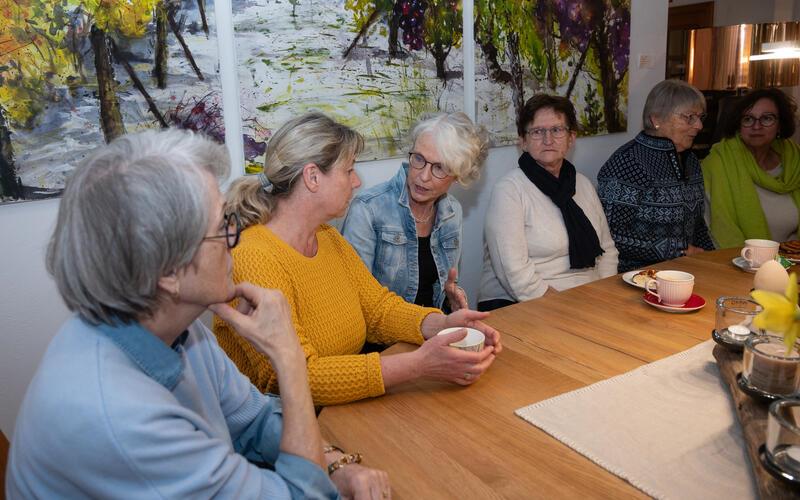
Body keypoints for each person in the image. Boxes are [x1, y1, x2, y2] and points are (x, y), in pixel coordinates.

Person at [6, 129, 389, 499]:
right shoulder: (122, 419)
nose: (234, 240)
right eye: (221, 227)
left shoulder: (177, 326)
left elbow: (255, 422)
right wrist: (289, 359)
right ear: (167, 272)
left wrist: (335, 465)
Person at [214, 112, 501, 407]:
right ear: (312, 177)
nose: (357, 181)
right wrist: (418, 364)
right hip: (284, 423)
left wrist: (442, 324)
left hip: (342, 408)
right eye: (349, 170)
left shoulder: (327, 237)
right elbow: (292, 377)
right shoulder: (254, 256)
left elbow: (377, 309)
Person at [478, 94, 619, 311]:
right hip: (523, 302)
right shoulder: (509, 190)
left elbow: (607, 250)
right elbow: (513, 272)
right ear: (523, 142)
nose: (548, 139)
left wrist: (603, 293)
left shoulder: (583, 184)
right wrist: (562, 307)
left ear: (571, 138)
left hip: (588, 296)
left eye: (557, 130)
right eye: (537, 131)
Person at [341, 112, 488, 311]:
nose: (424, 176)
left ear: (457, 175)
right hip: (386, 331)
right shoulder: (368, 209)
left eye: (439, 167)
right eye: (419, 159)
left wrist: (450, 300)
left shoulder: (452, 212)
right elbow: (357, 298)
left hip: (436, 325)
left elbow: (441, 285)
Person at [597, 79, 714, 272]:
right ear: (656, 119)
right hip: (636, 276)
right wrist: (677, 250)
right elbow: (610, 234)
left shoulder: (691, 161)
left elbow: (698, 225)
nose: (699, 125)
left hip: (686, 272)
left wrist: (711, 259)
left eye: (700, 117)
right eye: (690, 117)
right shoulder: (628, 162)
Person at [702, 88, 800, 247]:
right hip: (736, 258)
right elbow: (712, 229)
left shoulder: (795, 161)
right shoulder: (719, 163)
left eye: (767, 118)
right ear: (738, 125)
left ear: (780, 125)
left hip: (791, 258)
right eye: (748, 119)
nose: (756, 126)